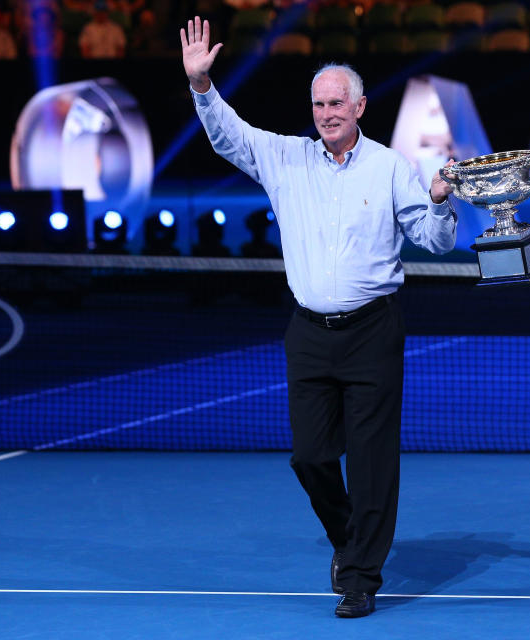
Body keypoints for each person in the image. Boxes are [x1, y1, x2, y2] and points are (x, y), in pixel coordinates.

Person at [179, 16, 457, 619]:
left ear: (360, 106)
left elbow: (432, 241)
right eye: (318, 103)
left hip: (373, 330)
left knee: (373, 462)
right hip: (308, 333)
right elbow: (231, 137)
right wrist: (203, 86)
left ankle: (359, 578)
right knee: (309, 457)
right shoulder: (286, 159)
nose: (326, 112)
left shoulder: (389, 167)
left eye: (337, 102)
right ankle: (348, 540)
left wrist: (440, 202)